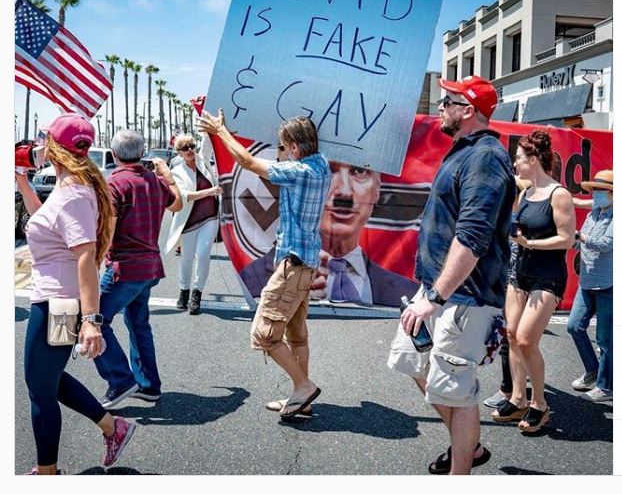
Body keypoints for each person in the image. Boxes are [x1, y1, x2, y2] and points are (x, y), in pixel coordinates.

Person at [389, 76, 515, 475]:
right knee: (410, 361)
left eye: (448, 100)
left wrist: (436, 296)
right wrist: (430, 290)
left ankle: (461, 471)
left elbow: (473, 236)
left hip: (464, 298)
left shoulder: (486, 156)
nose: (440, 107)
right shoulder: (463, 151)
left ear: (469, 111)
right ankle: (470, 447)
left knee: (457, 393)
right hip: (437, 290)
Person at [15, 113, 136, 474]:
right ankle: (113, 427)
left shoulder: (74, 195)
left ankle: (47, 472)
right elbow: (48, 226)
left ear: (54, 147)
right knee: (44, 380)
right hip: (54, 300)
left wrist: (91, 321)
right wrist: (23, 182)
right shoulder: (70, 190)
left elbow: (85, 257)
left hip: (59, 304)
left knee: (40, 388)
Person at [198, 111, 331, 419]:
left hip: (293, 265)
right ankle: (302, 399)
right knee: (297, 336)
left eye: (282, 148)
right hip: (305, 264)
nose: (279, 154)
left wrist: (221, 131)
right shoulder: (321, 165)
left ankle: (303, 387)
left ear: (296, 149)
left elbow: (246, 161)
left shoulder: (298, 170)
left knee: (265, 333)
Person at [241, 161, 418, 306]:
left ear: (377, 189)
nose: (344, 192)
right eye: (328, 171)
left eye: (359, 171)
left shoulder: (407, 292)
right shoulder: (253, 278)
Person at [492, 129, 575, 432]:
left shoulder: (559, 194)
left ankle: (540, 403)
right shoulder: (525, 193)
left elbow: (566, 240)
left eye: (519, 159)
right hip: (520, 273)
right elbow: (516, 227)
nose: (515, 164)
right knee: (512, 335)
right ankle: (517, 398)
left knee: (527, 339)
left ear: (535, 159)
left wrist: (531, 245)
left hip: (547, 275)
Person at [95, 130, 182, 409]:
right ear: (143, 153)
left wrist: (94, 261)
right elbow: (178, 203)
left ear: (115, 154)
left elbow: (108, 230)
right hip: (150, 267)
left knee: (95, 320)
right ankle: (148, 385)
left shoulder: (116, 183)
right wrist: (166, 173)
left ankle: (121, 379)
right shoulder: (154, 181)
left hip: (125, 268)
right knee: (138, 324)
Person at [483, 177, 532, 410]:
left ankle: (509, 389)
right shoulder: (504, 215)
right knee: (511, 339)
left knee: (513, 339)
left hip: (523, 284)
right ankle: (516, 386)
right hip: (507, 283)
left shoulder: (527, 217)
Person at [567, 170, 613, 402]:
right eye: (593, 190)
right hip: (588, 281)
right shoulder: (594, 214)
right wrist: (570, 240)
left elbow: (606, 244)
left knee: (606, 339)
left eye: (599, 190)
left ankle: (606, 386)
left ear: (613, 193)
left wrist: (580, 237)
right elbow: (583, 239)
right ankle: (593, 371)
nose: (595, 194)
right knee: (574, 326)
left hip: (609, 284)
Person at [163, 134, 222, 314]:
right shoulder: (176, 171)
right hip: (188, 220)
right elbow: (184, 196)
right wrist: (210, 191)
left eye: (191, 146)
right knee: (187, 257)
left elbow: (208, 141)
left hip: (210, 217)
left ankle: (197, 293)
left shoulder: (203, 160)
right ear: (179, 152)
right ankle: (184, 290)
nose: (189, 150)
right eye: (184, 147)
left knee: (203, 254)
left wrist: (209, 122)